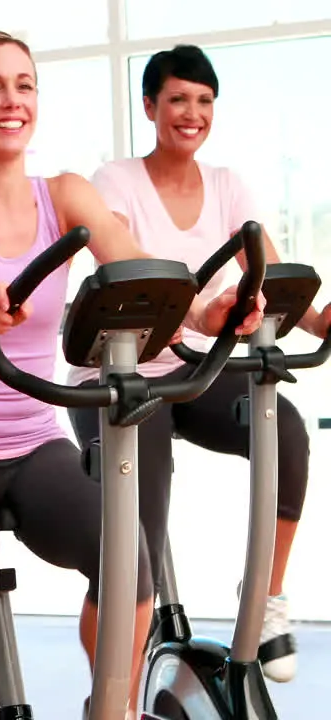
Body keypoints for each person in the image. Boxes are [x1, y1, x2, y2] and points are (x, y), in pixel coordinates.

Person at [0, 31, 263, 719]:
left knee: (132, 566)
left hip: (34, 444)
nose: (12, 100)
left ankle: (109, 708)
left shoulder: (65, 196)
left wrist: (207, 314)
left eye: (24, 85)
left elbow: (136, 266)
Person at [67, 43, 329, 684]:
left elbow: (274, 274)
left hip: (197, 369)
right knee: (135, 549)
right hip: (124, 378)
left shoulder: (229, 186)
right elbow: (125, 274)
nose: (192, 112)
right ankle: (115, 695)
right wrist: (198, 314)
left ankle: (263, 599)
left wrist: (322, 319)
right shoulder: (116, 182)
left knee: (286, 432)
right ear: (150, 106)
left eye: (205, 101)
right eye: (178, 99)